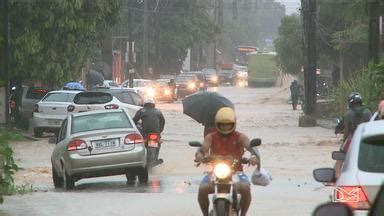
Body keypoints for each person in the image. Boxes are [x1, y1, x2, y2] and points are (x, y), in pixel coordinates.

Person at [194, 107, 260, 216]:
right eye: (222, 124)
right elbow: (202, 149)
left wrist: (254, 157)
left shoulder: (240, 137)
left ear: (233, 124)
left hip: (237, 172)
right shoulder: (211, 137)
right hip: (215, 173)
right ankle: (205, 214)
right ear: (217, 124)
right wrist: (199, 156)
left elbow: (251, 148)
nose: (225, 127)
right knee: (202, 189)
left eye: (228, 124)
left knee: (246, 188)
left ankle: (243, 214)